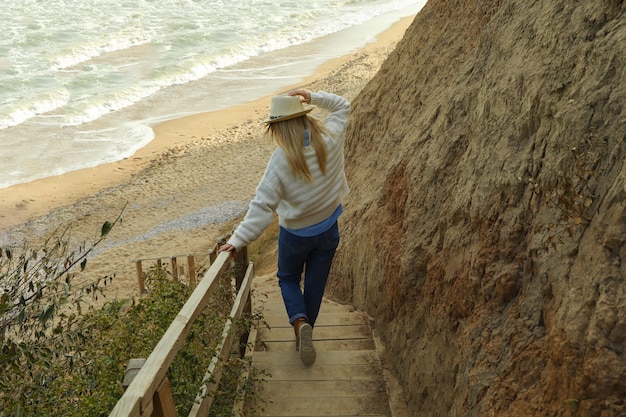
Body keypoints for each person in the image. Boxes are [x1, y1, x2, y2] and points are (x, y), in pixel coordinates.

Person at [219, 89, 351, 366]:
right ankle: (306, 331)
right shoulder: (330, 137)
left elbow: (262, 207)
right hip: (329, 229)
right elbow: (342, 107)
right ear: (304, 119)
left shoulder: (280, 161)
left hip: (296, 235)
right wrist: (312, 97)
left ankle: (298, 322)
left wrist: (238, 239)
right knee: (315, 285)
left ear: (279, 128)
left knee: (289, 279)